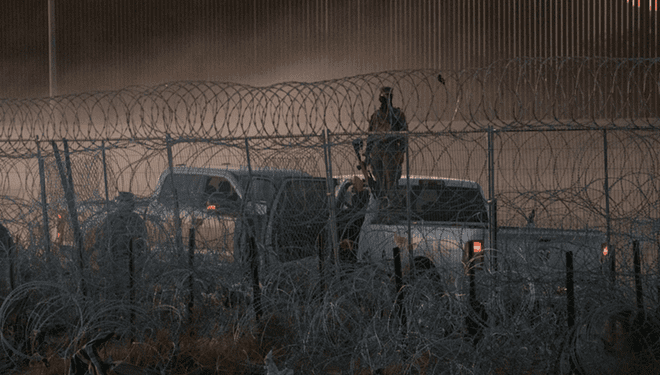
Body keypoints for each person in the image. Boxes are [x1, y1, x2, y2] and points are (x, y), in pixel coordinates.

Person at [91, 192, 147, 299]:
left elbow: (142, 243)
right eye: (120, 201)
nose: (121, 204)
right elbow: (101, 239)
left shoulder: (137, 221)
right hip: (114, 261)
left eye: (124, 201)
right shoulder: (111, 219)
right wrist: (102, 258)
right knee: (116, 289)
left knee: (129, 289)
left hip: (130, 262)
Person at [365, 86, 408, 205]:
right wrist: (367, 155)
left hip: (391, 149)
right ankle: (382, 203)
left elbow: (404, 135)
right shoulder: (376, 116)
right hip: (377, 150)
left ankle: (391, 204)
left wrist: (401, 152)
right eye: (384, 98)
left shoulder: (397, 114)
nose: (385, 101)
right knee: (379, 181)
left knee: (391, 181)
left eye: (388, 98)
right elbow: (370, 136)